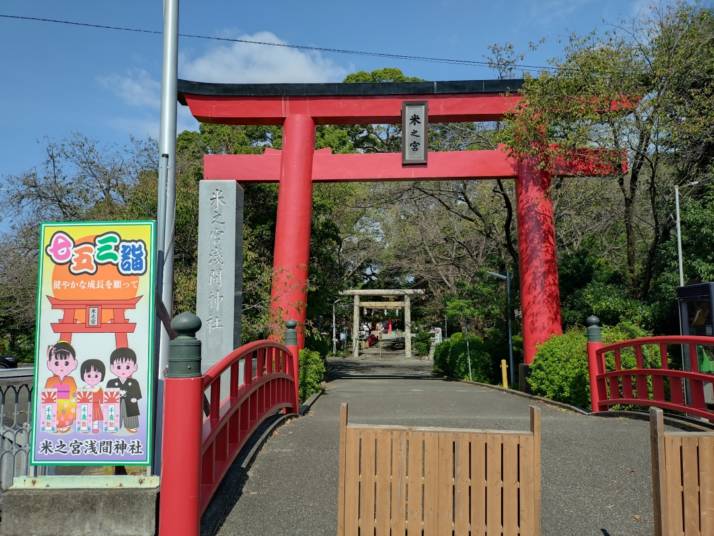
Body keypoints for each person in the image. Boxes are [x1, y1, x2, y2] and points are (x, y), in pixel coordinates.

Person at [45, 341, 78, 433]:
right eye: (56, 363)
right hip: (55, 402)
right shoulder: (50, 380)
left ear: (74, 364)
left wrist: (74, 397)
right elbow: (48, 393)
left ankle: (65, 425)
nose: (61, 367)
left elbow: (74, 392)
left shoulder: (71, 379)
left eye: (66, 363)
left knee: (67, 413)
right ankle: (54, 425)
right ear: (49, 364)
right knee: (54, 413)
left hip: (68, 402)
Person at [107, 348, 142, 433]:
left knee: (130, 415)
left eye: (127, 367)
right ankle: (114, 425)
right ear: (112, 367)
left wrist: (135, 398)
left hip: (130, 402)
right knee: (115, 413)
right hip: (116, 402)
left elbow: (137, 393)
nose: (123, 370)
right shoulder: (111, 382)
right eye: (118, 367)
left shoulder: (134, 382)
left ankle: (131, 426)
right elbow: (108, 395)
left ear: (135, 367)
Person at [80, 359, 105, 433]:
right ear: (83, 375)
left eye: (96, 375)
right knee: (86, 416)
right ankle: (85, 426)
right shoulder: (84, 388)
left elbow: (102, 399)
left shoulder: (99, 389)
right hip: (86, 406)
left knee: (95, 418)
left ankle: (95, 427)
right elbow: (80, 398)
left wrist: (103, 407)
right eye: (89, 375)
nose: (92, 378)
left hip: (96, 406)